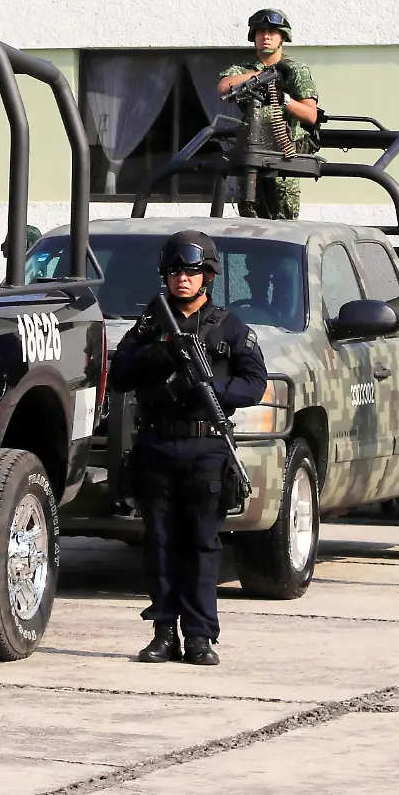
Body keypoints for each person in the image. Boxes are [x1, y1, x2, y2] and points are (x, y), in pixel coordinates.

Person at [109, 231, 266, 665]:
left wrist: (211, 386)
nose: (183, 278)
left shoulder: (230, 326)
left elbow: (255, 384)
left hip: (207, 444)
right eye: (176, 270)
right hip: (158, 442)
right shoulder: (151, 322)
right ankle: (163, 632)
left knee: (201, 543)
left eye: (192, 271)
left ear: (208, 276)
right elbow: (119, 373)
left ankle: (199, 635)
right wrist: (159, 355)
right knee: (159, 542)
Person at [217, 9, 320, 219]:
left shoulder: (294, 70)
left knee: (284, 226)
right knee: (249, 224)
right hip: (251, 157)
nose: (266, 37)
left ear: (282, 37)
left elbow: (310, 115)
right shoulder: (243, 70)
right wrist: (262, 76)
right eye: (261, 32)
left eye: (272, 32)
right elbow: (224, 87)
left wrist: (285, 100)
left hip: (284, 157)